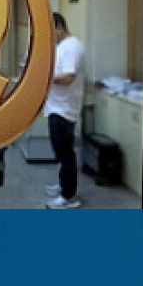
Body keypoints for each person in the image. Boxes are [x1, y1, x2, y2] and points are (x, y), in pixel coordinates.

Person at [44, 12, 85, 209]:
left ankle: (69, 196)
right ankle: (63, 185)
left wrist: (44, 77)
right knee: (60, 152)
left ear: (59, 27)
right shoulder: (63, 46)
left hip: (64, 109)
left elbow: (68, 77)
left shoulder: (72, 47)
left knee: (66, 153)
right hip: (57, 107)